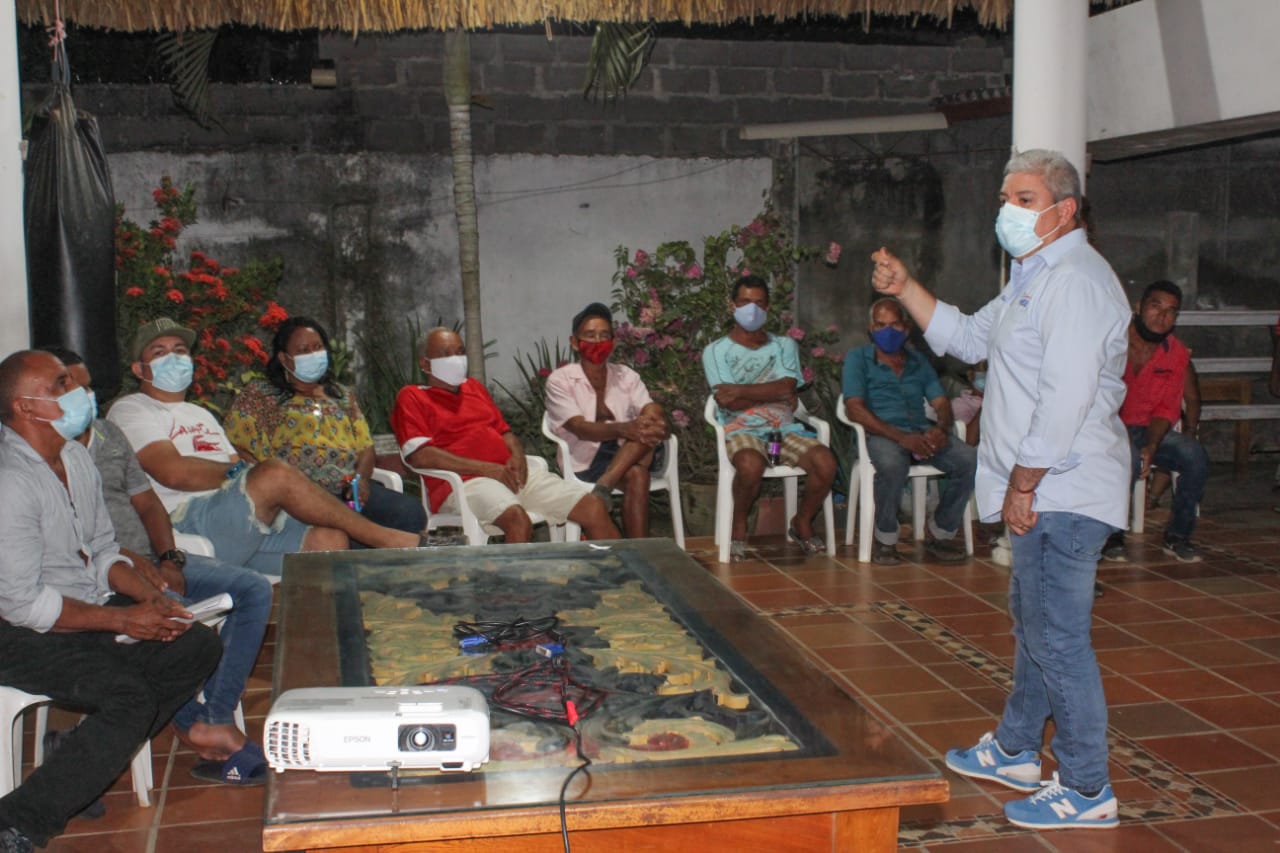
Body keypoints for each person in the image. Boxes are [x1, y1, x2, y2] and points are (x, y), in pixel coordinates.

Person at [871, 149, 1129, 831]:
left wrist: (1023, 481)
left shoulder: (1074, 281)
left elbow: (1068, 396)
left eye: (1023, 198)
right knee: (1036, 626)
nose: (1006, 211)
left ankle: (1085, 785)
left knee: (1060, 638)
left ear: (1064, 209)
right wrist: (904, 286)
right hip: (1048, 484)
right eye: (1004, 197)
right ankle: (1017, 748)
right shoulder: (1031, 276)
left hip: (1063, 487)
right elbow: (965, 335)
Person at [0, 350, 222, 852]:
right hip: (16, 631)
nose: (77, 389)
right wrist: (123, 619)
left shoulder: (75, 457)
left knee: (197, 647)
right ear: (26, 408)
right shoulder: (10, 481)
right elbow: (23, 606)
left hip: (78, 610)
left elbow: (101, 551)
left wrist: (152, 597)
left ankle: (82, 753)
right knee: (130, 697)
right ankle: (19, 821)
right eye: (60, 384)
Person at [48, 347, 273, 785]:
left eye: (86, 385)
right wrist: (135, 566)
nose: (82, 395)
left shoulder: (107, 435)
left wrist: (168, 557)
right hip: (103, 573)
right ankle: (195, 724)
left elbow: (147, 501)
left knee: (252, 588)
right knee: (170, 614)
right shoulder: (37, 458)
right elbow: (79, 545)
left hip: (149, 557)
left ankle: (217, 712)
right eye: (67, 386)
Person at [108, 318, 431, 575]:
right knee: (275, 473)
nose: (174, 359)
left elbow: (363, 446)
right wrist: (245, 473)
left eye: (180, 350)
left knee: (330, 540)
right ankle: (389, 541)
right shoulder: (132, 409)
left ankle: (321, 638)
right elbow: (173, 473)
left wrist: (356, 480)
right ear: (139, 369)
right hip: (188, 522)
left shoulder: (200, 414)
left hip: (244, 517)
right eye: (159, 353)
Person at [392, 327, 620, 543]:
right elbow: (420, 456)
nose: (456, 359)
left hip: (510, 475)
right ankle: (513, 584)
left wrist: (518, 455)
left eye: (460, 352)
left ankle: (628, 576)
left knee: (593, 506)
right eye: (446, 354)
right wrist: (486, 469)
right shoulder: (412, 397)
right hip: (465, 484)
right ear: (425, 363)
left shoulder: (474, 388)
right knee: (517, 520)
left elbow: (506, 433)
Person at [223, 316, 428, 545]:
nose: (313, 354)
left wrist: (360, 479)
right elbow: (237, 443)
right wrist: (273, 484)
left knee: (409, 511)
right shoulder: (261, 393)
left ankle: (385, 573)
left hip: (346, 488)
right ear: (284, 358)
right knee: (344, 528)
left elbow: (365, 448)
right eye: (303, 350)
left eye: (318, 347)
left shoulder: (342, 394)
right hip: (299, 495)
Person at [702, 275, 837, 561]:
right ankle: (739, 524)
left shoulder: (784, 346)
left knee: (825, 463)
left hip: (783, 429)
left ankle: (801, 522)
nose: (752, 309)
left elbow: (789, 387)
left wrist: (741, 389)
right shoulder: (715, 351)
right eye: (745, 302)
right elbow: (729, 401)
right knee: (750, 466)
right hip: (742, 428)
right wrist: (774, 393)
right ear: (732, 305)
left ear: (769, 308)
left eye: (759, 303)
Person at [843, 297, 976, 565]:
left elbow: (940, 403)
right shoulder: (858, 359)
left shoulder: (918, 361)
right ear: (871, 329)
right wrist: (901, 438)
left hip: (921, 430)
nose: (887, 332)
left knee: (968, 459)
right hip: (881, 433)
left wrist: (941, 429)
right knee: (892, 465)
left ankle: (940, 532)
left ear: (906, 328)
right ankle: (886, 539)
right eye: (881, 325)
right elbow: (854, 409)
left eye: (894, 325)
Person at [1101, 282, 1209, 563]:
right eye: (1155, 306)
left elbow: (1167, 408)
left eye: (1171, 311)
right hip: (1104, 427)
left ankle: (1178, 536)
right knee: (1128, 456)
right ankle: (1112, 535)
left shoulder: (1176, 353)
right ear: (1139, 307)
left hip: (1148, 429)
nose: (1162, 317)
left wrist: (1152, 444)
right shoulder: (1110, 339)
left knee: (1194, 455)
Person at [544, 303, 669, 538]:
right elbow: (580, 429)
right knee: (639, 474)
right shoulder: (560, 380)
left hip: (627, 449)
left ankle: (605, 486)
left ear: (613, 341)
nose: (597, 342)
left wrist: (651, 414)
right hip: (586, 459)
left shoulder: (626, 375)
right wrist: (626, 428)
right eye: (590, 336)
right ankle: (639, 551)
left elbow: (648, 408)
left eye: (604, 336)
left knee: (654, 416)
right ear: (574, 342)